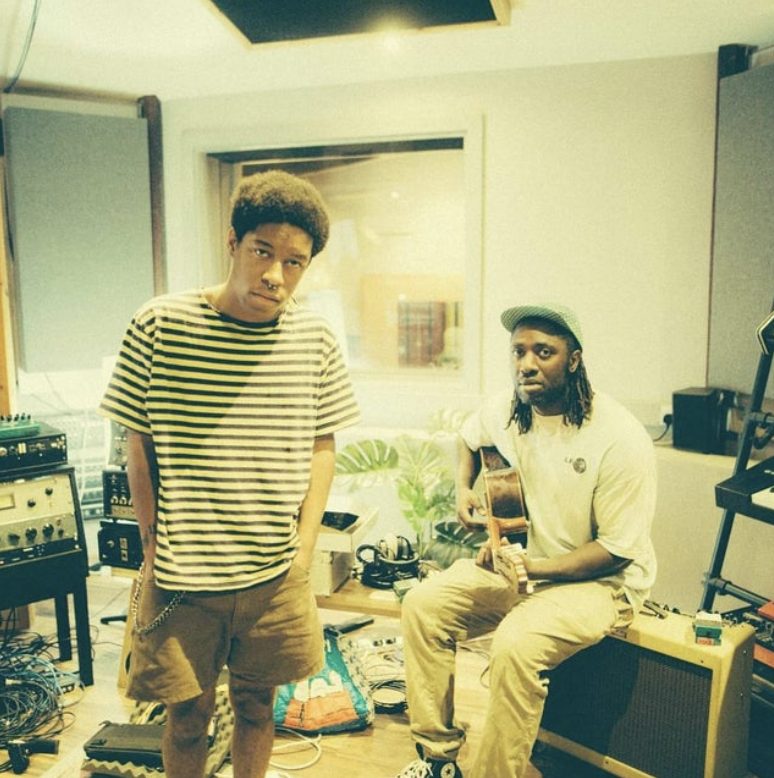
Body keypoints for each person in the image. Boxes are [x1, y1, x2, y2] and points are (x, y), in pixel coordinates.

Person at [99, 170, 360, 778]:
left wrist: (304, 550)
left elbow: (323, 445)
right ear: (233, 242)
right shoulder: (160, 323)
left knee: (259, 708)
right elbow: (138, 441)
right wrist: (150, 542)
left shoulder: (315, 337)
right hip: (183, 578)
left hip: (275, 574)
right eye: (263, 252)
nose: (275, 275)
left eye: (294, 262)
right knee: (186, 718)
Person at [397, 303, 656, 778]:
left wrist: (531, 568)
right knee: (423, 605)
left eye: (543, 352)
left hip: (602, 586)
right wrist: (463, 488)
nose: (527, 364)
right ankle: (438, 759)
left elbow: (616, 551)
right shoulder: (508, 409)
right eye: (518, 351)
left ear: (573, 360)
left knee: (515, 644)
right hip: (525, 567)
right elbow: (469, 438)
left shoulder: (619, 437)